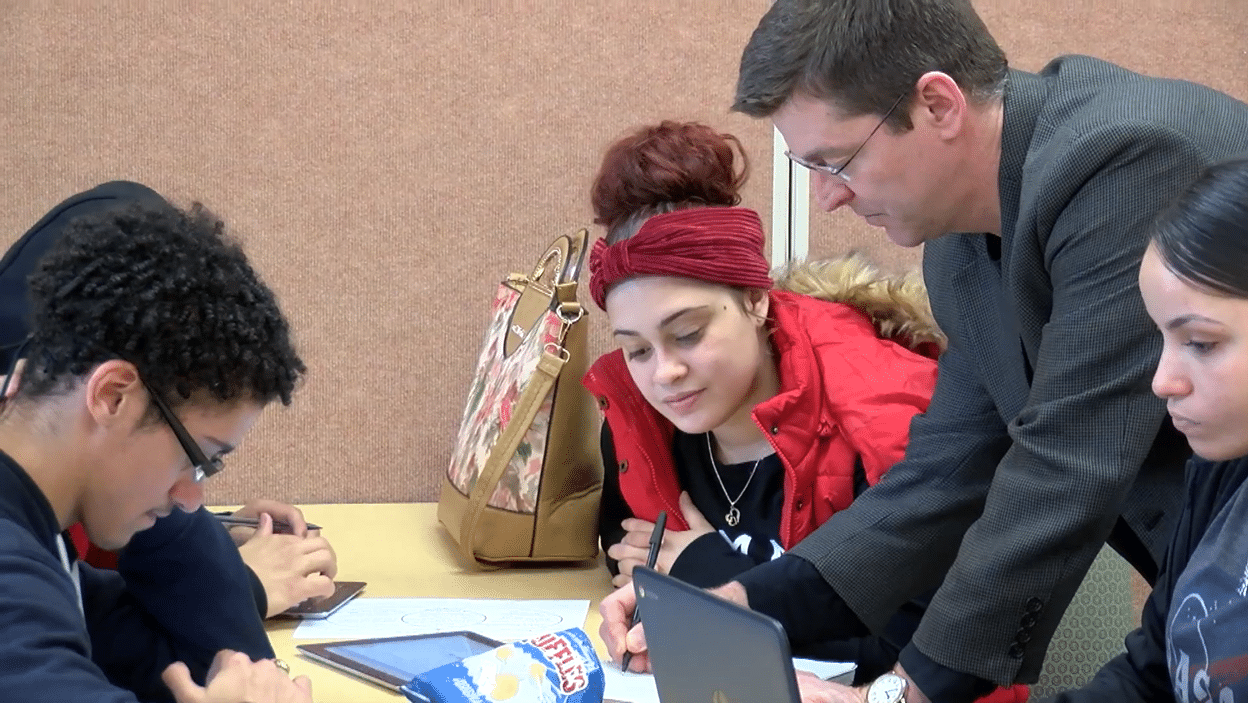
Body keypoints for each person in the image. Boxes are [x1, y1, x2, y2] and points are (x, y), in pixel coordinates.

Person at [599, 1, 1248, 701]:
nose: (826, 199)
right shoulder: (960, 246)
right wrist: (740, 603)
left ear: (938, 103)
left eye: (836, 161)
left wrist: (900, 695)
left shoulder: (1124, 162)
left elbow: (1066, 464)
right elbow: (946, 472)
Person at [0, 199, 313, 702]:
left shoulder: (48, 547)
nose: (191, 497)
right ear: (112, 396)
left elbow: (184, 664)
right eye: (198, 456)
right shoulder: (12, 580)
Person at [1043, 157, 1248, 701]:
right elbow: (1149, 675)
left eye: (1200, 343)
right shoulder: (1220, 474)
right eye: (1161, 338)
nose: (1163, 382)